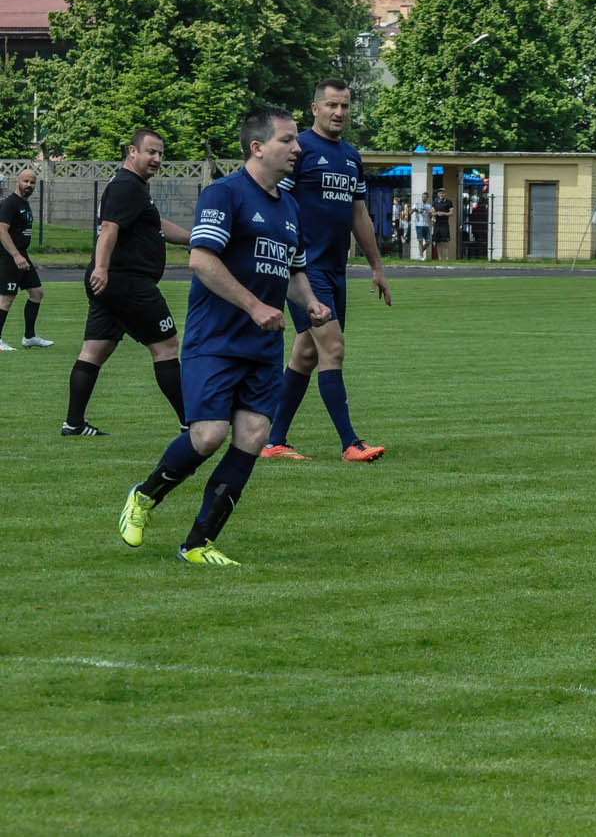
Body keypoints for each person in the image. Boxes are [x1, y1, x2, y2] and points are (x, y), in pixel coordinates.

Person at [117, 107, 332, 565]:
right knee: (208, 435)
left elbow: (293, 271)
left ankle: (198, 543)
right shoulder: (224, 193)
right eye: (287, 140)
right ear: (257, 148)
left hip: (263, 348)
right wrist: (254, 306)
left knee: (253, 436)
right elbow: (201, 260)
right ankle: (145, 495)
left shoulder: (289, 206)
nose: (297, 148)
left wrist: (310, 303)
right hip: (215, 341)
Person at [261, 78, 390, 463]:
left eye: (345, 106)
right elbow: (273, 198)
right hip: (304, 269)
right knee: (332, 347)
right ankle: (350, 443)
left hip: (335, 270)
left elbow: (358, 214)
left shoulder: (351, 156)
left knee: (306, 354)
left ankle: (273, 441)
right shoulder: (297, 149)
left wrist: (377, 266)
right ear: (315, 109)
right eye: (332, 105)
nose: (339, 112)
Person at [63, 128, 192, 437]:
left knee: (95, 349)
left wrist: (195, 238)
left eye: (160, 153)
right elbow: (109, 228)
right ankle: (190, 421)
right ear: (132, 151)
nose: (157, 159)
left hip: (112, 284)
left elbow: (156, 225)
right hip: (128, 283)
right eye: (151, 152)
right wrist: (102, 267)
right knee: (167, 346)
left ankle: (74, 424)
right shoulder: (127, 185)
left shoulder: (133, 187)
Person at [0, 168, 50, 352]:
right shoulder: (10, 203)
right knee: (7, 298)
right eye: (25, 181)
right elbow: (2, 231)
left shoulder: (24, 203)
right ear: (18, 181)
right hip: (10, 256)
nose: (29, 185)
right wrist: (15, 255)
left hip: (22, 255)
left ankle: (29, 337)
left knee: (37, 293)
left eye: (32, 182)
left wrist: (21, 255)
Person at [431, 186, 454, 260]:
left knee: (445, 241)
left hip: (445, 224)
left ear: (445, 194)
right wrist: (436, 213)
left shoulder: (449, 202)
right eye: (440, 193)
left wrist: (443, 213)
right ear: (438, 194)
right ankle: (440, 258)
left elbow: (451, 213)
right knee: (438, 241)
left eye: (443, 193)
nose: (441, 194)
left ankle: (446, 258)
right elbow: (432, 213)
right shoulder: (435, 203)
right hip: (437, 224)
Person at [411, 191, 433, 259]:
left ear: (427, 198)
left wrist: (428, 211)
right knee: (420, 241)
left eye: (425, 197)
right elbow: (410, 212)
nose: (423, 198)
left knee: (428, 242)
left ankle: (420, 252)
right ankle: (421, 256)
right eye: (422, 197)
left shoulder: (429, 205)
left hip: (426, 225)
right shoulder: (417, 204)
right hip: (419, 225)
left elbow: (431, 217)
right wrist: (414, 210)